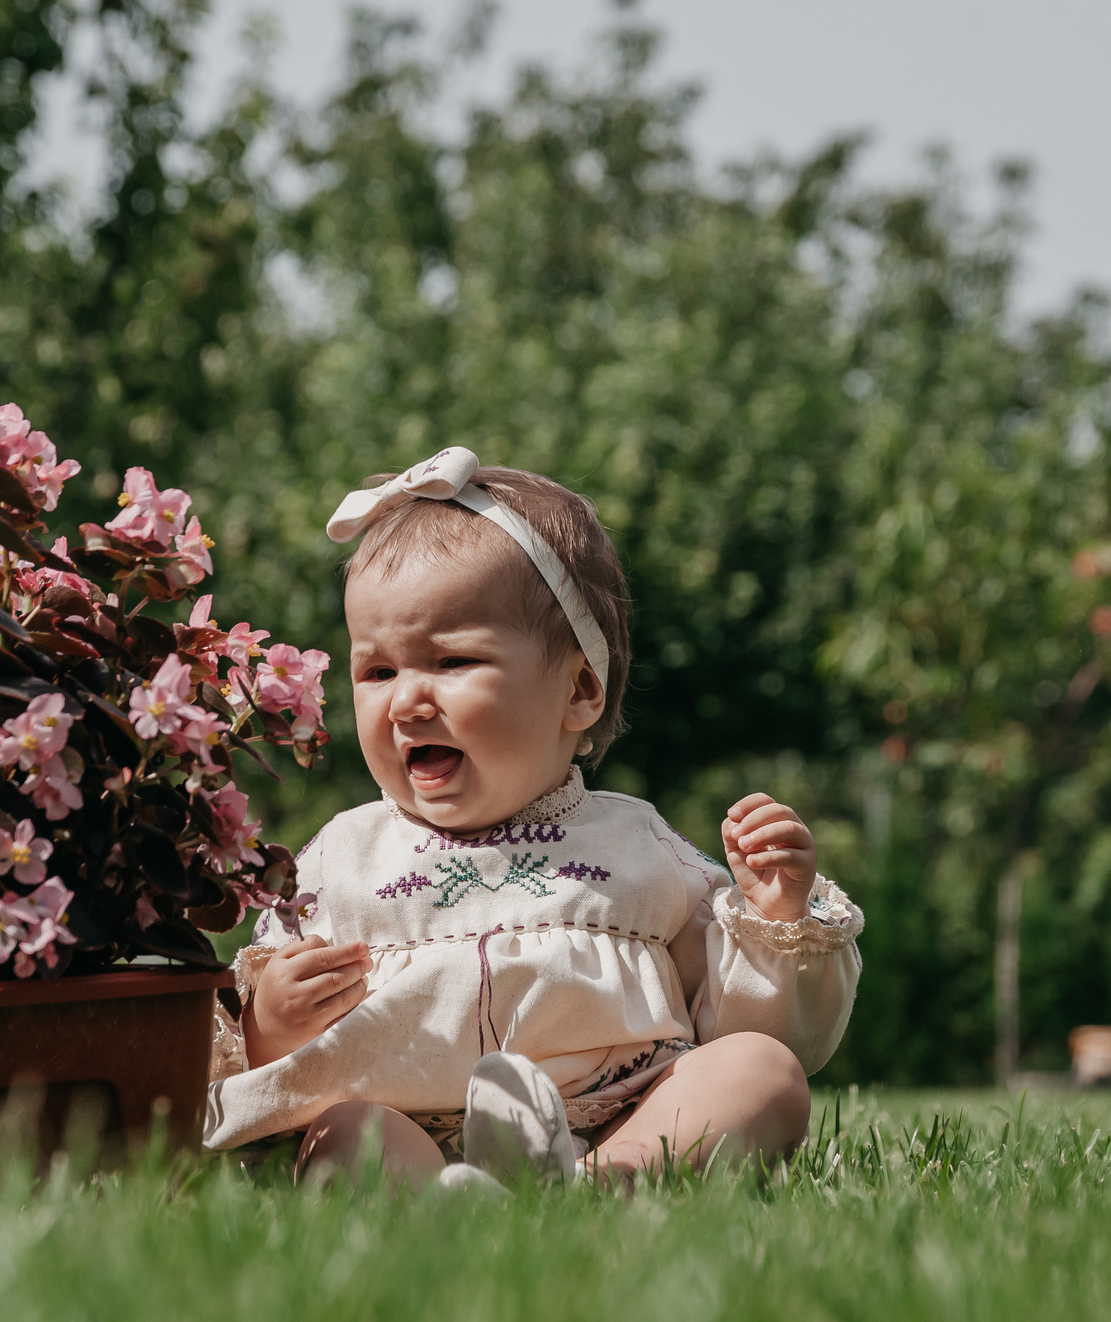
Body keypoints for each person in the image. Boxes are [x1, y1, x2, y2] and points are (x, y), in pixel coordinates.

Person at [203, 448, 863, 1188]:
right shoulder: (344, 857)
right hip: (409, 1124)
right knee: (343, 1130)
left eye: (452, 662)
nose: (408, 700)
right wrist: (271, 1024)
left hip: (618, 1113)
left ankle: (599, 1181)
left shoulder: (635, 844)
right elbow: (250, 1047)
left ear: (580, 689)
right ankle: (443, 1204)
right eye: (379, 670)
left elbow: (740, 1024)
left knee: (762, 1072)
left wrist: (775, 918)